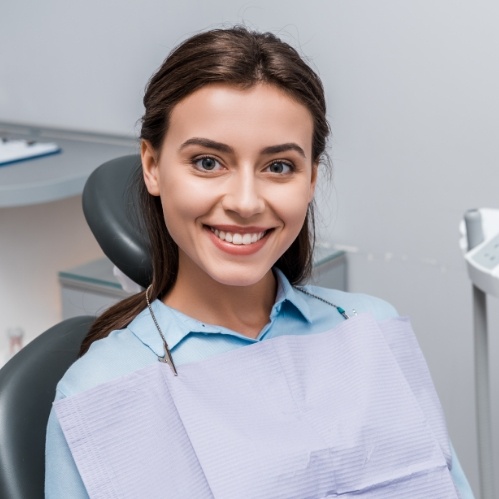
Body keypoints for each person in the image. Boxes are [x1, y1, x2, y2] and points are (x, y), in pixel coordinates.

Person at [45, 27, 474, 498]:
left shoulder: (369, 328)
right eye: (208, 162)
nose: (246, 202)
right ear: (151, 165)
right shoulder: (100, 390)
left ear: (311, 178)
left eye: (279, 166)